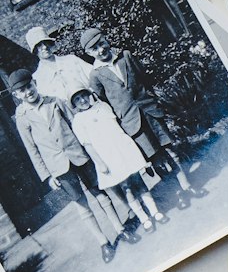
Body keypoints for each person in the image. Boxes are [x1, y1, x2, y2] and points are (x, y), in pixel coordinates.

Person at [9, 69, 126, 263]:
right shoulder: (22, 118)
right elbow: (32, 149)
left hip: (79, 155)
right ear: (16, 95)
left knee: (100, 192)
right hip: (58, 167)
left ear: (34, 83)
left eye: (29, 86)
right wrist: (47, 176)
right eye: (22, 90)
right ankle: (103, 242)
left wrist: (91, 151)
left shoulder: (55, 101)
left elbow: (75, 125)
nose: (28, 91)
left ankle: (120, 228)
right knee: (81, 204)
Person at [80, 27, 203, 202]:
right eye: (95, 49)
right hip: (132, 123)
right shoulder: (96, 75)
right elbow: (103, 101)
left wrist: (152, 100)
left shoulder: (126, 57)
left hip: (150, 113)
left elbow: (144, 79)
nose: (101, 50)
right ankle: (177, 193)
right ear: (89, 53)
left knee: (170, 151)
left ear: (106, 40)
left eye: (101, 43)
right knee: (156, 159)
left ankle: (187, 186)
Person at [67, 87, 166, 235]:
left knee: (138, 181)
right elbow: (88, 145)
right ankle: (144, 218)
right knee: (126, 187)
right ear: (74, 104)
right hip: (108, 156)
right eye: (77, 99)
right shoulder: (78, 121)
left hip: (123, 148)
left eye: (84, 96)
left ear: (89, 95)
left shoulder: (103, 106)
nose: (82, 100)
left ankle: (154, 211)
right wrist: (99, 162)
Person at [23, 26, 94, 104]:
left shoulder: (71, 60)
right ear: (35, 50)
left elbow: (93, 75)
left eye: (46, 42)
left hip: (91, 104)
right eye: (39, 45)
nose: (44, 47)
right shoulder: (38, 78)